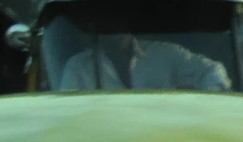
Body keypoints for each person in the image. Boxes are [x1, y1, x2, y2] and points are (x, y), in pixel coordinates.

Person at [55, 28, 232, 93]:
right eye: (104, 15)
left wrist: (196, 102)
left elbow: (213, 72)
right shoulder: (78, 68)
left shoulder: (165, 54)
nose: (112, 21)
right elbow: (68, 118)